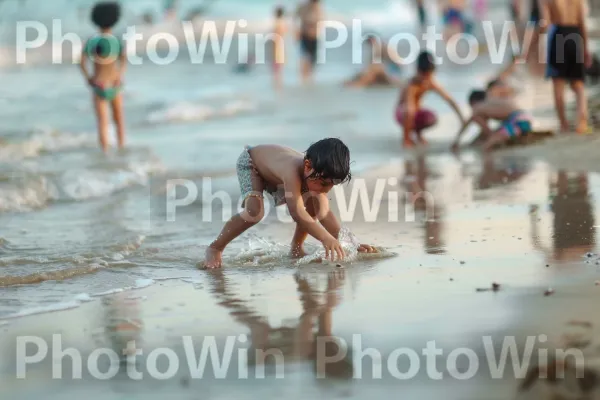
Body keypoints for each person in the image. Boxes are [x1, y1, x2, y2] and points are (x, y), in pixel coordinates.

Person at [203, 138, 378, 269]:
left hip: (276, 172)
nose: (326, 190)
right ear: (307, 166)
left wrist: (352, 243)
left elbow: (325, 214)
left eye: (332, 185)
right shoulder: (292, 171)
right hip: (252, 164)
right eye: (324, 184)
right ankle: (215, 248)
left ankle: (296, 248)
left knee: (314, 203)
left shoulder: (314, 174)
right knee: (254, 211)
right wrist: (325, 238)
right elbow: (297, 213)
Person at [79, 1, 126, 153]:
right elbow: (124, 60)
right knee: (119, 119)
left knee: (102, 122)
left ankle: (105, 150)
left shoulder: (92, 41)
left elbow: (81, 61)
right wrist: (120, 74)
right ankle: (121, 146)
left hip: (98, 84)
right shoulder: (116, 41)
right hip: (114, 83)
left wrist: (88, 77)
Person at [541, 0, 592, 133]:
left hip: (558, 35)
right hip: (575, 34)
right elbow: (582, 23)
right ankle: (582, 121)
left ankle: (563, 124)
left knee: (558, 84)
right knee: (578, 83)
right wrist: (586, 49)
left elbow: (545, 23)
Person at [395, 51, 465, 148]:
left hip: (415, 112)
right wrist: (406, 138)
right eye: (424, 75)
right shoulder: (411, 84)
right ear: (417, 71)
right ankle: (407, 138)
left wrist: (462, 119)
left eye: (428, 75)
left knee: (430, 117)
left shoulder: (429, 82)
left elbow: (450, 100)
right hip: (402, 112)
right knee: (409, 111)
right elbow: (409, 108)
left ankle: (418, 134)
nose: (425, 78)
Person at [451, 90, 533, 151]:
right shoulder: (492, 102)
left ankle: (489, 165)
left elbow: (467, 123)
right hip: (525, 119)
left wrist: (457, 140)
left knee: (487, 145)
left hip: (517, 121)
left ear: (473, 102)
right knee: (494, 135)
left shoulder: (478, 107)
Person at [295, 0, 323, 83]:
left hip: (314, 36)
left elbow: (319, 22)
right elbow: (296, 17)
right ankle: (304, 76)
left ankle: (309, 76)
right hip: (305, 35)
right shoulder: (304, 7)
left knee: (312, 57)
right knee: (305, 56)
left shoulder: (318, 7)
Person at [273, 6, 287, 89]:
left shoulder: (278, 23)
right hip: (281, 47)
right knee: (279, 69)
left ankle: (278, 86)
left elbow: (276, 37)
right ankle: (278, 85)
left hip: (277, 48)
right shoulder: (283, 23)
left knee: (277, 69)